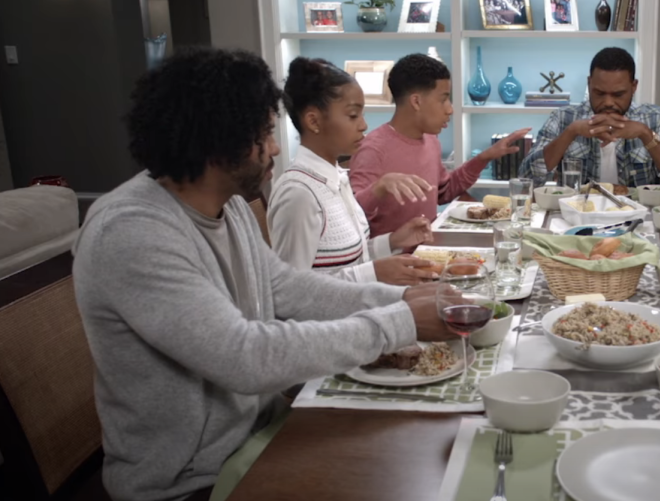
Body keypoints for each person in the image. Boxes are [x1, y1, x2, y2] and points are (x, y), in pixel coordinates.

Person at [72, 47, 453, 501]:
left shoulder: (226, 203)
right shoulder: (132, 232)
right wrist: (401, 322)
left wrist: (402, 302)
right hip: (191, 481)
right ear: (219, 138)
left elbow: (286, 287)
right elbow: (244, 357)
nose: (274, 147)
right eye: (264, 133)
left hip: (260, 434)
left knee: (420, 455)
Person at [268, 57, 437, 285]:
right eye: (352, 115)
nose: (363, 125)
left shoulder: (336, 178)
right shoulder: (299, 195)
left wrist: (394, 241)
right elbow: (291, 291)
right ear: (313, 121)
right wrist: (373, 273)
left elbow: (349, 260)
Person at [349, 53, 530, 237]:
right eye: (443, 99)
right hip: (393, 260)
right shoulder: (372, 149)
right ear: (416, 101)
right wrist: (379, 187)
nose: (450, 109)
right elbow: (352, 215)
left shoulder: (430, 140)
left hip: (429, 250)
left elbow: (444, 192)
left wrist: (485, 157)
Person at [520, 47, 660, 189]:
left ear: (634, 87)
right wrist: (570, 133)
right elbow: (527, 179)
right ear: (589, 84)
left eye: (618, 94)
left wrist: (646, 134)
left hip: (640, 223)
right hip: (576, 221)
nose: (608, 102)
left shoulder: (656, 118)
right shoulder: (564, 118)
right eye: (599, 93)